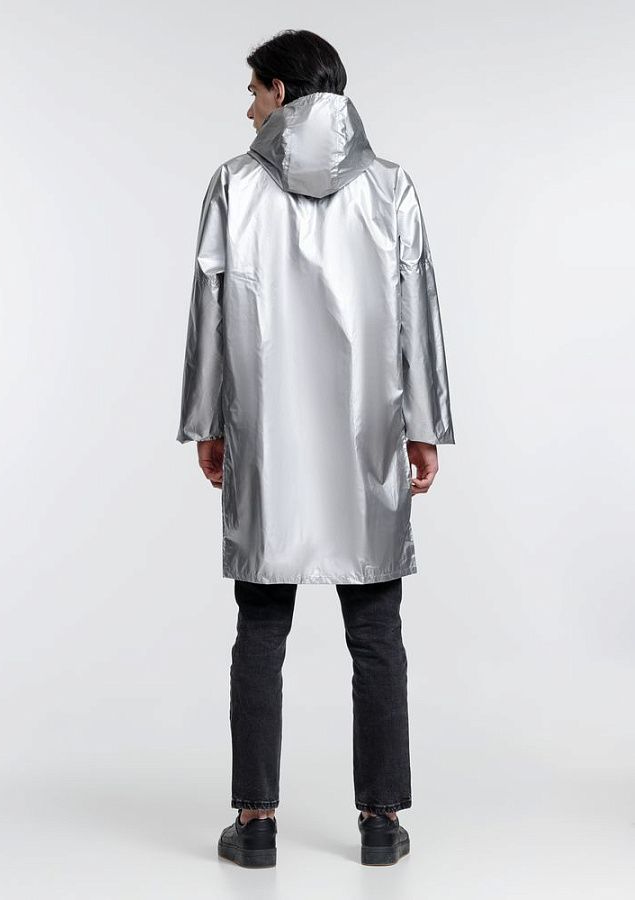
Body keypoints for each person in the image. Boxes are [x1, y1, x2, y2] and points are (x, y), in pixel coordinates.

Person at [176, 29, 455, 867]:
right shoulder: (391, 187)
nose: (248, 109)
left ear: (281, 91)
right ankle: (381, 824)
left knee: (261, 631)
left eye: (254, 91)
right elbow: (417, 312)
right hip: (366, 435)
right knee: (375, 632)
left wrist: (208, 422)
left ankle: (255, 823)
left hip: (267, 440)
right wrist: (423, 426)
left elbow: (209, 313)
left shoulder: (233, 184)